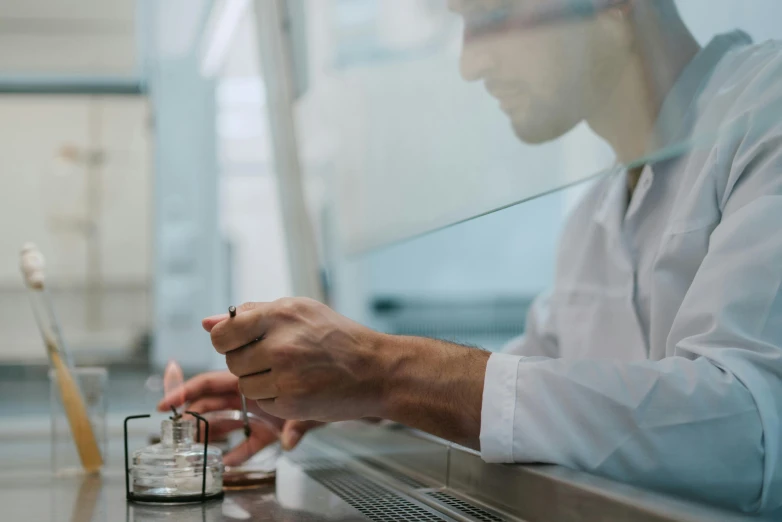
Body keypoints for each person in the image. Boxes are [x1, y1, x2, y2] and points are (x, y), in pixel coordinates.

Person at [159, 0, 782, 513]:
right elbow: (536, 385)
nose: (469, 63)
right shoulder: (595, 215)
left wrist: (386, 372)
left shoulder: (766, 116)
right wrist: (334, 401)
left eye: (491, 16)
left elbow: (748, 434)